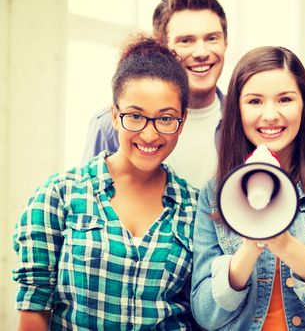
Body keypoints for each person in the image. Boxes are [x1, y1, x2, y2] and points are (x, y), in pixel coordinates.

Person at [13, 36, 199, 330]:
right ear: (114, 115)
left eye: (165, 119)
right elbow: (34, 308)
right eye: (135, 116)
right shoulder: (59, 195)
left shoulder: (195, 208)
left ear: (182, 120)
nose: (149, 135)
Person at [190, 46, 305, 330]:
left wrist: (285, 245)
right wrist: (252, 242)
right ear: (237, 109)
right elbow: (206, 313)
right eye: (254, 101)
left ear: (304, 104)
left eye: (285, 99)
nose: (270, 115)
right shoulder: (215, 195)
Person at [83, 0, 228, 189]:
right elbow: (90, 196)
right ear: (161, 46)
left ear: (225, 43)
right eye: (186, 41)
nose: (201, 52)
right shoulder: (108, 124)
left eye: (212, 38)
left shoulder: (243, 119)